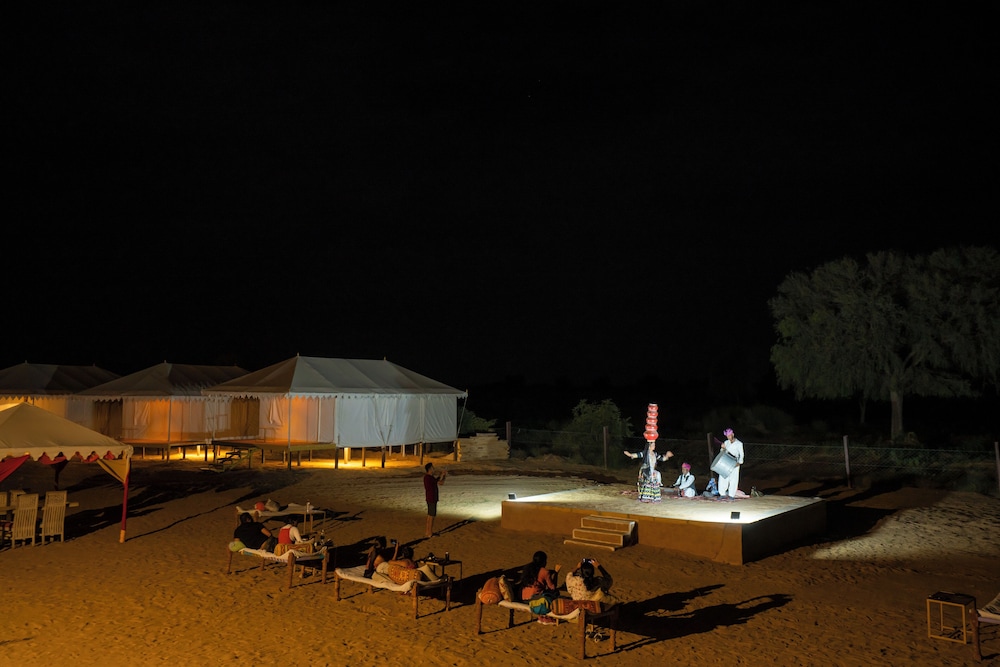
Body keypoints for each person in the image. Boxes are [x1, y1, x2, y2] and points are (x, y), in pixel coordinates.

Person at [519, 550, 561, 624]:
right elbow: (552, 587)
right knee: (555, 593)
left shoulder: (528, 568)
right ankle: (547, 617)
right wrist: (556, 573)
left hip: (524, 598)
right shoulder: (545, 572)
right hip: (535, 600)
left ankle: (541, 616)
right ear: (544, 561)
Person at [717, 427, 745, 500]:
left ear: (733, 434)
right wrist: (722, 448)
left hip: (735, 462)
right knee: (723, 477)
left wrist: (740, 462)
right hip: (726, 462)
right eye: (727, 436)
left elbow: (741, 454)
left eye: (729, 435)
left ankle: (731, 495)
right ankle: (722, 493)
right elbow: (722, 452)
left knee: (733, 479)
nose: (728, 437)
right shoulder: (726, 442)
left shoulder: (739, 443)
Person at [423, 462, 447, 537]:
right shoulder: (429, 478)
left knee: (429, 516)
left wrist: (442, 475)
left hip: (430, 498)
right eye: (432, 468)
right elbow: (440, 482)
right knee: (431, 516)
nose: (434, 469)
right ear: (429, 469)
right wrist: (443, 475)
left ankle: (428, 532)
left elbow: (438, 481)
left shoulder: (428, 477)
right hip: (432, 498)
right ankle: (429, 533)